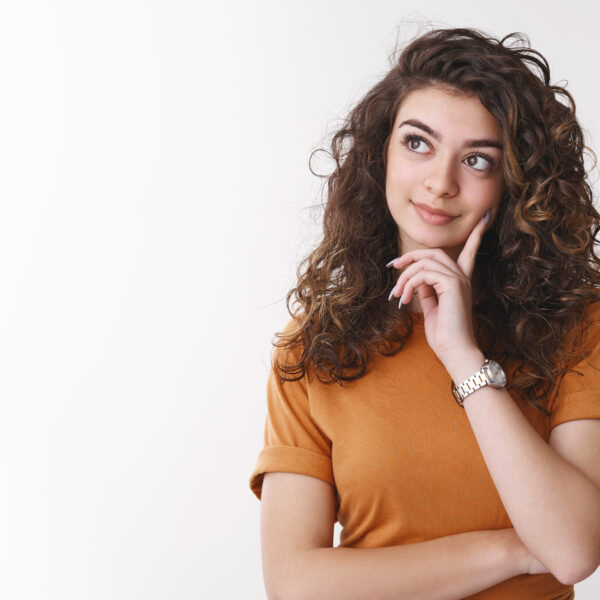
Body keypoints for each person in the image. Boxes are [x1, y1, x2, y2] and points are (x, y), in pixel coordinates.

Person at [249, 27, 600, 600]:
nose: (440, 183)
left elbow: (570, 550)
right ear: (379, 154)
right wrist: (509, 549)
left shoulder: (577, 325)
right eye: (418, 143)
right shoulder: (316, 345)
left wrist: (463, 357)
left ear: (513, 184)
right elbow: (295, 585)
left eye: (478, 160)